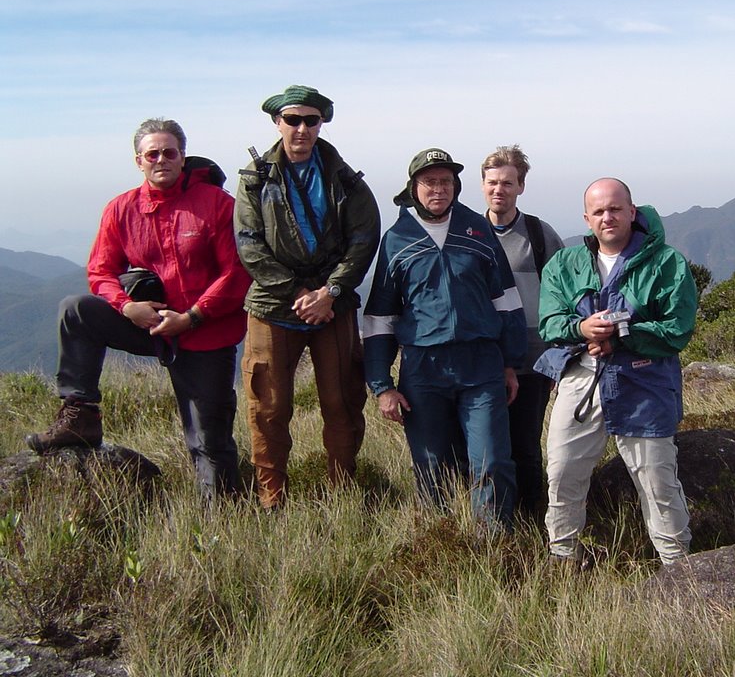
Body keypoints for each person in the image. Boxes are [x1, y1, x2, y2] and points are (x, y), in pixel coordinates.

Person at [26, 118, 250, 499]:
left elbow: (236, 273)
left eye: (169, 152)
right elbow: (100, 270)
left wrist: (192, 317)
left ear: (182, 157)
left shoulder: (216, 205)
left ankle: (221, 518)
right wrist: (128, 307)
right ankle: (80, 414)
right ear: (138, 161)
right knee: (76, 309)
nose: (161, 159)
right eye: (152, 153)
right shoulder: (121, 208)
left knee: (208, 440)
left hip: (204, 331)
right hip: (147, 324)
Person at [535, 178, 698, 565]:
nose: (607, 217)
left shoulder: (666, 263)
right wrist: (580, 329)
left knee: (657, 481)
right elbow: (549, 321)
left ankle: (679, 571)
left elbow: (677, 329)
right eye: (598, 211)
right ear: (587, 218)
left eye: (615, 209)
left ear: (631, 211)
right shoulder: (565, 263)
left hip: (643, 380)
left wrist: (622, 334)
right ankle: (564, 558)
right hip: (582, 379)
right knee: (561, 474)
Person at [234, 84, 381, 509]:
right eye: (292, 119)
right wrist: (301, 293)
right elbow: (249, 244)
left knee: (341, 402)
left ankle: (342, 493)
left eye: (310, 120)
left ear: (321, 123)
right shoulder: (255, 177)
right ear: (277, 122)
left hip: (332, 307)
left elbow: (363, 239)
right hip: (273, 307)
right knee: (269, 406)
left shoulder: (345, 178)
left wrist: (330, 291)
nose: (301, 128)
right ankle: (271, 498)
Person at [363, 148, 526, 528]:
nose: (439, 189)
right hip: (423, 368)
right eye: (430, 181)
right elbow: (380, 318)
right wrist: (382, 386)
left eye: (446, 182)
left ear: (456, 186)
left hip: (481, 363)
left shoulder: (476, 229)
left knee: (491, 459)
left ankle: (494, 543)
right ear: (413, 187)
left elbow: (506, 298)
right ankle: (442, 542)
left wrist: (509, 362)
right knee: (431, 463)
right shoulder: (397, 239)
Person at [480, 145, 564, 520]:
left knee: (525, 445)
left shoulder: (538, 234)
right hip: (480, 358)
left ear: (521, 187)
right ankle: (496, 517)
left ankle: (533, 519)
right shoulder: (468, 232)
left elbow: (565, 294)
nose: (500, 190)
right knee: (486, 446)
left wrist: (561, 357)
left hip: (531, 359)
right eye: (493, 182)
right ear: (482, 185)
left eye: (508, 183)